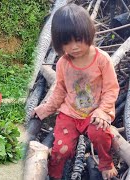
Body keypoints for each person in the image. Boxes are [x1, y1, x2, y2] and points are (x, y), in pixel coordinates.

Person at [32, 4, 119, 180]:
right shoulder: (63, 63)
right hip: (70, 114)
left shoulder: (102, 60)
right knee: (61, 150)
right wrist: (46, 109)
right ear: (59, 43)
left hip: (96, 113)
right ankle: (55, 175)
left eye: (78, 39)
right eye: (67, 42)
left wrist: (103, 110)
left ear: (88, 33)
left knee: (100, 133)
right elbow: (60, 90)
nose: (74, 47)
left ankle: (105, 163)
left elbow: (111, 88)